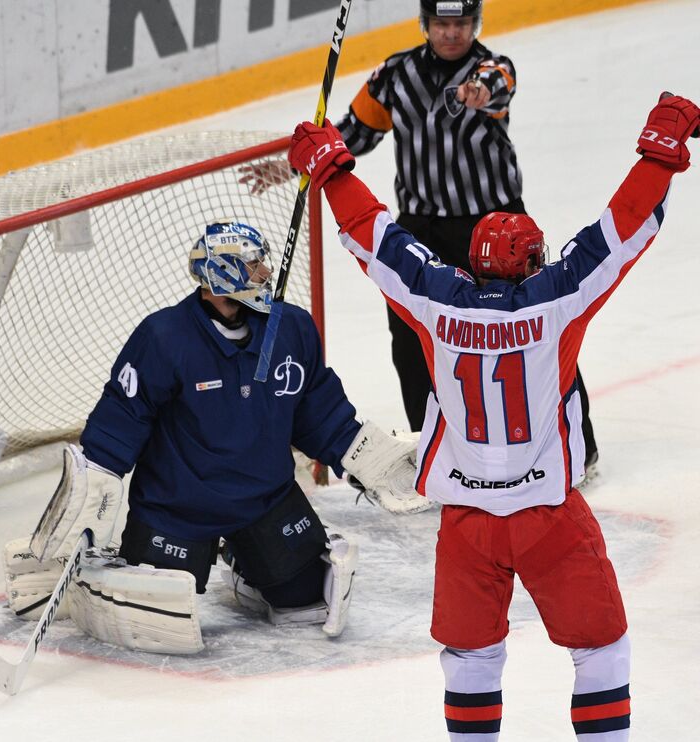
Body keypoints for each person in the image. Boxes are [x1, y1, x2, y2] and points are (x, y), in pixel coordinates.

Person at [287, 93, 699, 740]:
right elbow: (622, 227)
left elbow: (376, 236)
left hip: (468, 524)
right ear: (532, 263)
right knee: (600, 651)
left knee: (472, 659)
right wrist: (659, 155)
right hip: (548, 517)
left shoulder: (435, 298)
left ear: (471, 263)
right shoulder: (557, 299)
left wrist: (334, 173)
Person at [4, 220, 428, 654]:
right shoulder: (164, 337)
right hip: (179, 509)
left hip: (266, 500)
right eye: (254, 264)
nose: (265, 272)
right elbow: (121, 418)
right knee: (155, 617)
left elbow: (318, 412)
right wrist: (93, 489)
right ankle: (75, 578)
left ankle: (249, 564)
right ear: (223, 274)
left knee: (308, 601)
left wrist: (364, 456)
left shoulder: (291, 329)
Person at [241, 0, 599, 474]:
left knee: (537, 329)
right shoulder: (395, 75)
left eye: (462, 24)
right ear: (426, 25)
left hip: (496, 228)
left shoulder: (492, 69)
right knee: (412, 337)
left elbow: (498, 84)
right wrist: (291, 166)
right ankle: (438, 447)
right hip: (422, 230)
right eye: (442, 24)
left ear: (475, 25)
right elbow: (352, 134)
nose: (452, 33)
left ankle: (575, 442)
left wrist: (477, 90)